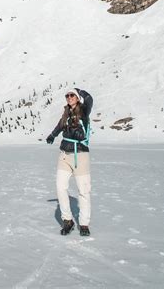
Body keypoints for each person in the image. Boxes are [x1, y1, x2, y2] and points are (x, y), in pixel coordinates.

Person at [46, 88, 93, 236]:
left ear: (77, 98)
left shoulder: (84, 111)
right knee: (60, 187)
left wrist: (80, 90)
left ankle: (84, 224)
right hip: (65, 154)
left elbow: (90, 99)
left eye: (72, 95)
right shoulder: (66, 112)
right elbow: (60, 125)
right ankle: (67, 220)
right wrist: (52, 135)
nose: (69, 97)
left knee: (83, 191)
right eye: (67, 96)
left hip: (80, 156)